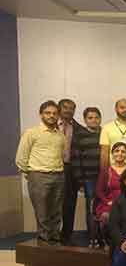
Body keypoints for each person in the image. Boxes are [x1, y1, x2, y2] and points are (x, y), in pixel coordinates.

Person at [15, 101, 65, 245]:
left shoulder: (60, 135)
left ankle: (55, 239)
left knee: (56, 211)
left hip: (58, 175)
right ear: (41, 114)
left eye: (54, 113)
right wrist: (31, 173)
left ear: (58, 116)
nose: (51, 116)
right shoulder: (31, 133)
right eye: (48, 113)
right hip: (39, 175)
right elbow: (21, 157)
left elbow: (61, 155)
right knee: (42, 212)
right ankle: (44, 241)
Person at [71, 107, 102, 248]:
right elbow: (75, 158)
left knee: (104, 207)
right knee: (91, 208)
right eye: (90, 118)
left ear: (100, 119)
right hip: (89, 179)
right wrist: (80, 181)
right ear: (85, 120)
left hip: (104, 177)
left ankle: (103, 237)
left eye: (96, 117)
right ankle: (92, 238)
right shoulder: (79, 135)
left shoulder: (104, 133)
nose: (93, 120)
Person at [58, 98, 84, 245]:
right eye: (65, 107)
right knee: (53, 203)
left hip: (71, 169)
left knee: (69, 204)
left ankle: (66, 236)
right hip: (52, 168)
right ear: (59, 108)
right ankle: (50, 236)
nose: (68, 110)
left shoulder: (79, 129)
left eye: (71, 108)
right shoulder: (51, 126)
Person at [95, 141, 126, 240]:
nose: (120, 153)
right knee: (106, 216)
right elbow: (99, 191)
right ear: (112, 153)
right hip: (110, 204)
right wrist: (107, 202)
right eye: (117, 151)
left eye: (123, 151)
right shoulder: (106, 171)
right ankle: (109, 241)